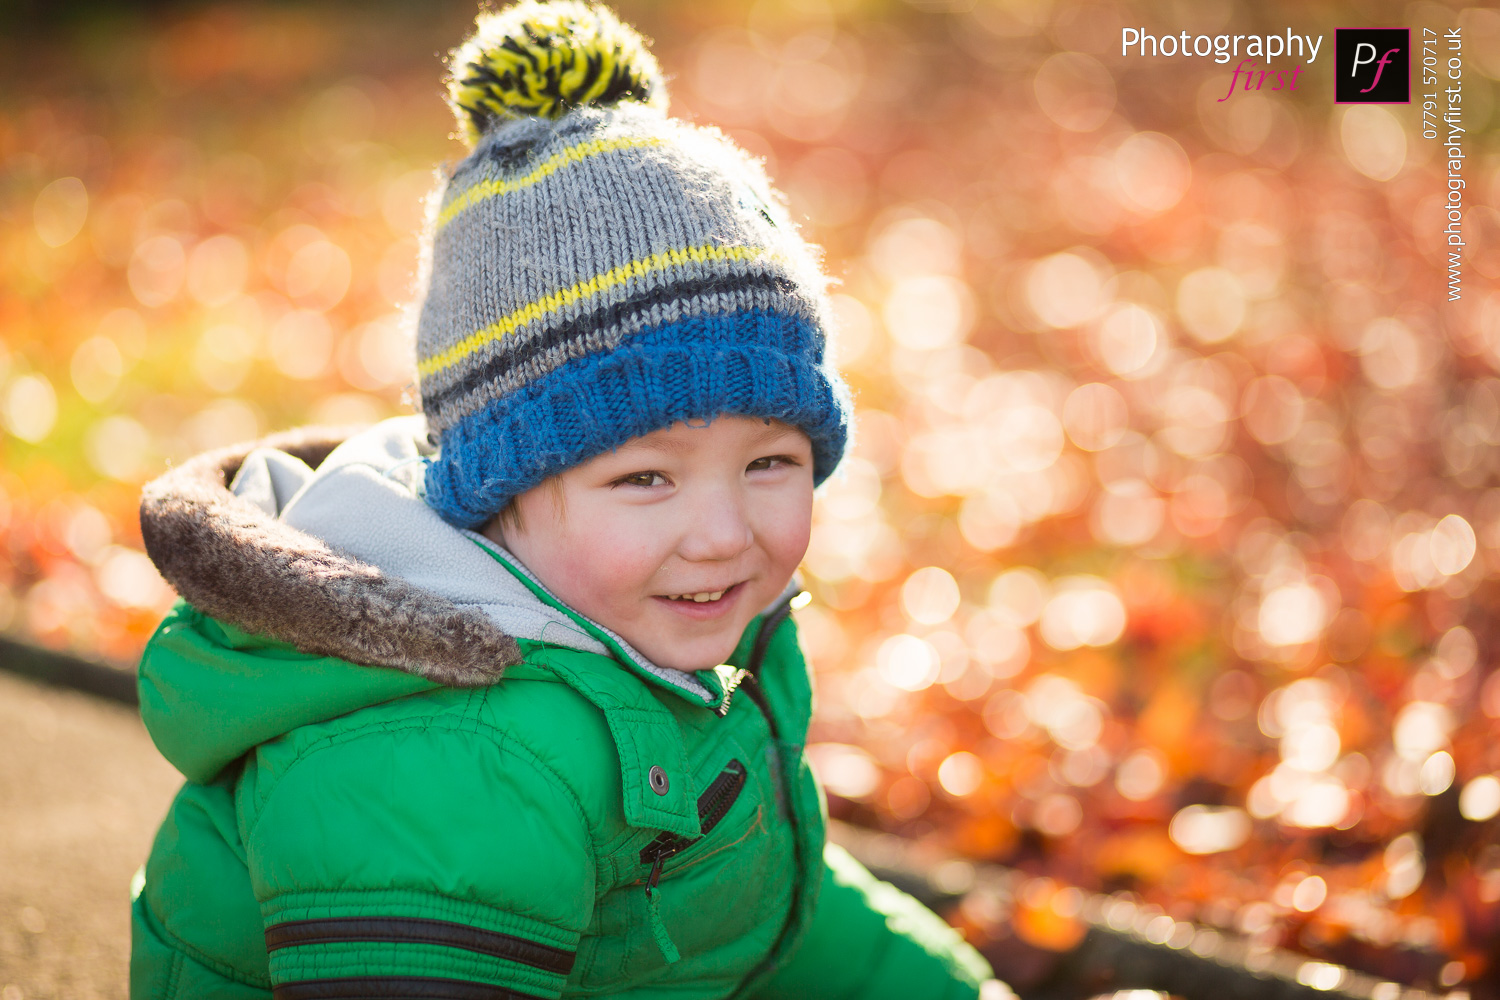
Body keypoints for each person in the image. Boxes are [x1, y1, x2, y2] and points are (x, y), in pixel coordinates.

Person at [129, 3, 1002, 997]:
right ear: (494, 496)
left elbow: (738, 903)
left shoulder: (653, 631)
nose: (724, 534)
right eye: (645, 478)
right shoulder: (451, 757)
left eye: (771, 462)